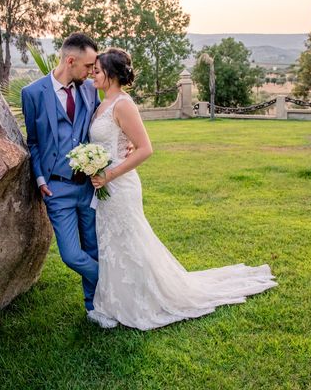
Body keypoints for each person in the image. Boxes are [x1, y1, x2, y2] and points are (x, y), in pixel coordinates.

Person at [89, 48, 278, 330]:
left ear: (112, 74)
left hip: (120, 184)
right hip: (103, 185)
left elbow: (145, 149)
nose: (92, 73)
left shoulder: (123, 104)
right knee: (112, 243)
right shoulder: (102, 102)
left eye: (97, 69)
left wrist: (111, 174)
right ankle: (113, 301)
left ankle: (141, 301)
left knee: (129, 242)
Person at [21, 33, 117, 328]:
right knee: (72, 256)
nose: (92, 71)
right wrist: (39, 178)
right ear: (70, 60)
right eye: (89, 65)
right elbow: (34, 142)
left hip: (90, 185)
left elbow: (105, 125)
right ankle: (116, 282)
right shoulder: (33, 93)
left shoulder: (90, 91)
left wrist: (122, 146)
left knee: (92, 247)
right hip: (57, 186)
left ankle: (94, 307)